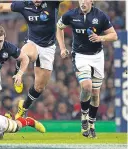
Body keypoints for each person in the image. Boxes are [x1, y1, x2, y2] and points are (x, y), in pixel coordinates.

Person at [0, 0, 63, 120]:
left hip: (49, 48)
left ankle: (24, 107)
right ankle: (17, 74)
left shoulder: (52, 3)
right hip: (33, 43)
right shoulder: (24, 5)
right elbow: (2, 6)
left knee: (39, 87)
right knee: (23, 54)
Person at [56, 0, 117, 138]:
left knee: (95, 94)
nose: (82, 2)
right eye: (80, 0)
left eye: (85, 0)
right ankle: (84, 115)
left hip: (97, 57)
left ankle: (92, 124)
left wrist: (101, 38)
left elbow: (114, 35)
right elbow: (59, 27)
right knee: (87, 86)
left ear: (92, 1)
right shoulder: (70, 15)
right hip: (80, 55)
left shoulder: (100, 16)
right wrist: (62, 48)